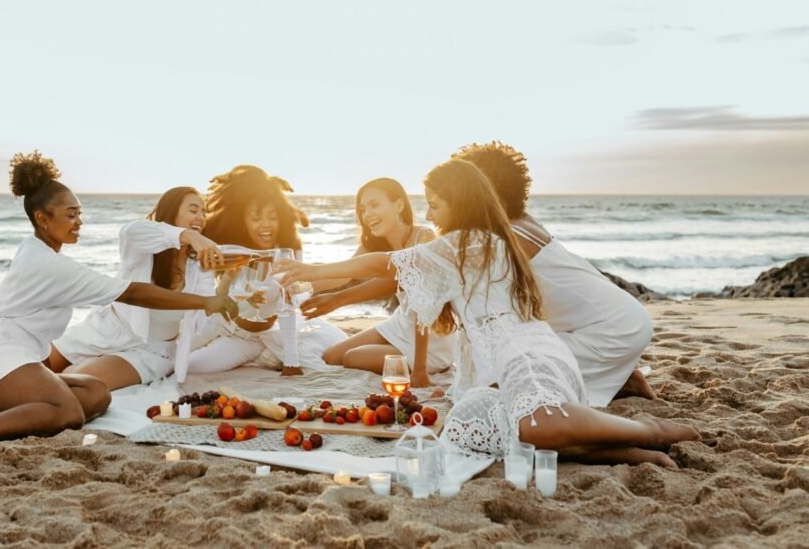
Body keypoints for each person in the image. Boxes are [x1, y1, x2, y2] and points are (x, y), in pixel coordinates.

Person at [277, 159, 699, 467]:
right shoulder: (462, 248)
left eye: (435, 203)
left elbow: (385, 263)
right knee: (472, 432)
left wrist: (315, 269)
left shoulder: (475, 241)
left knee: (535, 426)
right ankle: (613, 452)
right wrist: (460, 384)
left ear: (458, 202)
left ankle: (651, 431)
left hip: (528, 358)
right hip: (494, 366)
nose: (428, 214)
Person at [0, 153, 237, 450]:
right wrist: (205, 302)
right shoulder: (49, 265)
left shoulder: (40, 252)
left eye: (80, 214)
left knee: (97, 394)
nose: (79, 222)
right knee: (69, 413)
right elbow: (132, 291)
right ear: (43, 219)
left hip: (17, 357)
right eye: (70, 215)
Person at [453, 141, 654, 405]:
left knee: (517, 379)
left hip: (612, 331)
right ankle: (624, 381)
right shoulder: (521, 221)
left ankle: (621, 378)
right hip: (623, 317)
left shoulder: (504, 237)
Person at [47, 187, 225, 390]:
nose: (201, 218)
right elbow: (130, 231)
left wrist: (225, 289)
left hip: (151, 352)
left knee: (71, 383)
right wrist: (188, 236)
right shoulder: (143, 247)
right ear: (171, 212)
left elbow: (203, 324)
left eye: (204, 212)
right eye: (194, 211)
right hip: (106, 329)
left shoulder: (199, 266)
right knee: (32, 367)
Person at [187, 165, 345, 376]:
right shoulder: (234, 252)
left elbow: (291, 298)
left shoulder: (287, 251)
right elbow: (218, 296)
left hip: (262, 337)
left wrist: (291, 361)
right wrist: (225, 281)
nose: (266, 225)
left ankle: (265, 358)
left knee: (193, 366)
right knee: (182, 363)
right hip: (231, 331)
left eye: (272, 217)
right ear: (240, 220)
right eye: (256, 217)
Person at [307, 178, 454, 386]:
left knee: (352, 357)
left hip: (430, 338)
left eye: (374, 205)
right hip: (401, 323)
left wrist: (420, 370)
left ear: (399, 205)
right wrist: (300, 282)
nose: (367, 215)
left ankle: (424, 363)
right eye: (363, 209)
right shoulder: (375, 244)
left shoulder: (424, 237)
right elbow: (343, 274)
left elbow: (424, 302)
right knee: (332, 357)